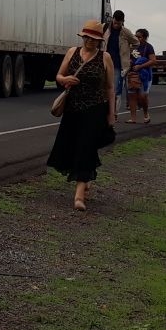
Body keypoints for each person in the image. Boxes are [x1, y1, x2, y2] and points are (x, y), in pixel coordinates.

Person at [47, 20, 115, 211]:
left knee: (86, 147)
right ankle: (85, 179)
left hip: (95, 109)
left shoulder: (105, 57)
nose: (89, 41)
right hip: (72, 108)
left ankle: (79, 196)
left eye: (94, 39)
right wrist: (65, 79)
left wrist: (112, 113)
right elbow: (59, 76)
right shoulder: (72, 52)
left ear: (99, 41)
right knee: (74, 147)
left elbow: (110, 87)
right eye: (87, 37)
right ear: (82, 37)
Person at [102, 11, 138, 109]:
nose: (116, 25)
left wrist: (128, 51)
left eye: (119, 23)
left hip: (118, 64)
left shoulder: (126, 32)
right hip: (105, 63)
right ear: (112, 19)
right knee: (103, 87)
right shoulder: (104, 28)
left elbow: (136, 42)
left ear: (123, 22)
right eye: (115, 22)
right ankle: (105, 110)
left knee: (116, 89)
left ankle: (114, 113)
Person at [126, 28, 156, 123]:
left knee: (143, 96)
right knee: (132, 96)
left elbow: (153, 60)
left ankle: (146, 114)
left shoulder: (148, 47)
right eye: (136, 36)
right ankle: (133, 118)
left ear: (145, 38)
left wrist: (140, 66)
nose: (137, 38)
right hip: (133, 74)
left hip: (145, 75)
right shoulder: (132, 46)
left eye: (139, 36)